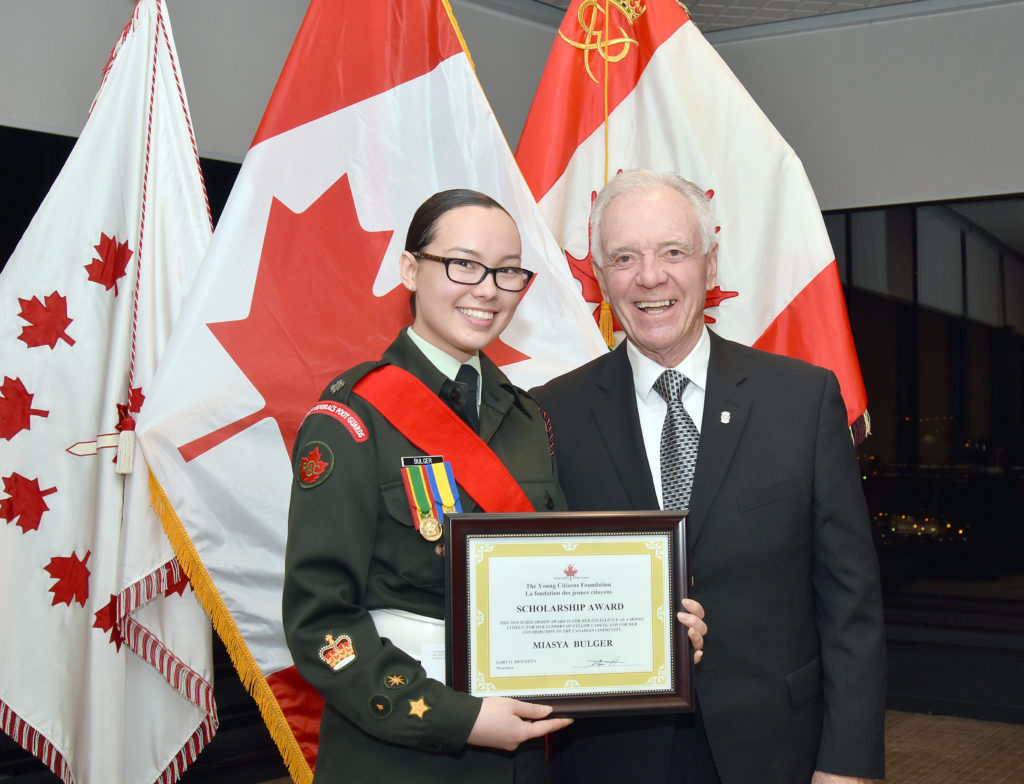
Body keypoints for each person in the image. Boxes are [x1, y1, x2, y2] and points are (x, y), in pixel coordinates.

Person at [282, 188, 709, 783]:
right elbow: (319, 621)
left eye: (507, 271)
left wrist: (657, 630)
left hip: (521, 756)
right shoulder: (354, 420)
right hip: (399, 753)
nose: (487, 289)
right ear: (411, 270)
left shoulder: (529, 418)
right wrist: (457, 718)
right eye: (463, 264)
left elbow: (562, 573)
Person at [532, 170, 886, 784]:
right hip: (609, 754)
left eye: (674, 251)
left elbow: (850, 599)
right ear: (601, 278)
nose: (650, 277)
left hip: (775, 747)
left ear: (710, 264)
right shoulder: (548, 415)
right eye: (624, 257)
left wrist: (847, 764)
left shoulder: (801, 400)